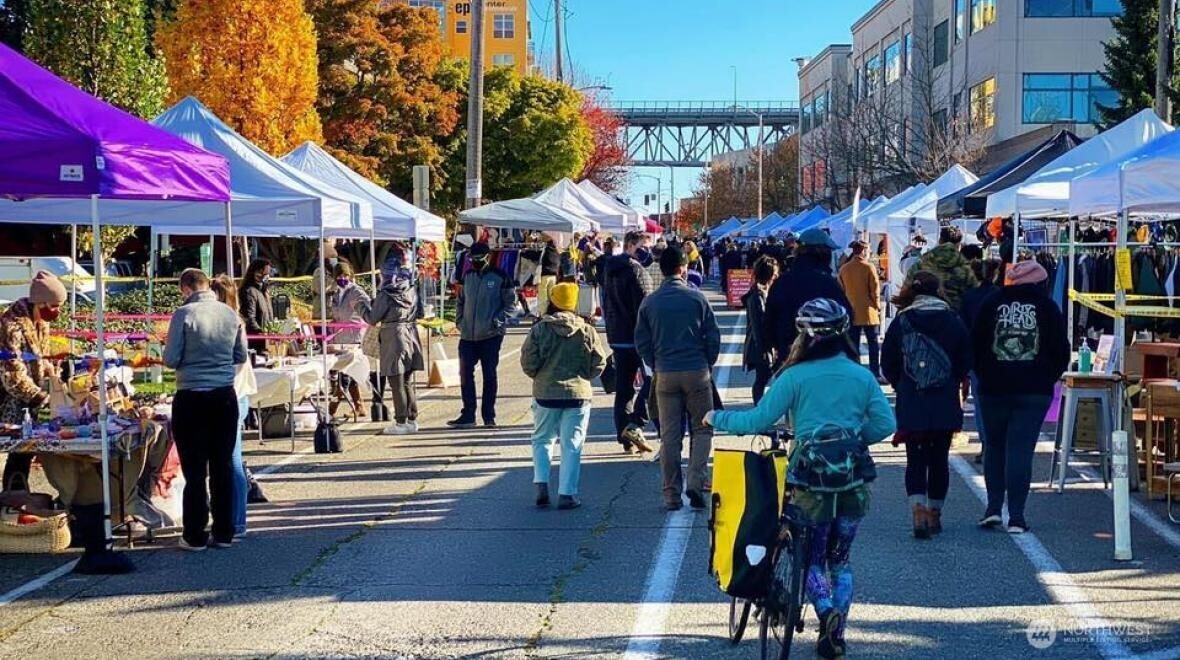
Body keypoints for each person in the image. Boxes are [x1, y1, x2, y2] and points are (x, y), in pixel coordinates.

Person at [705, 298, 894, 659]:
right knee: (840, 560)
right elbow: (886, 424)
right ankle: (837, 631)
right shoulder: (861, 375)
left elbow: (757, 422)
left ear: (803, 335)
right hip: (853, 482)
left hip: (810, 484)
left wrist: (716, 418)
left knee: (810, 558)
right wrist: (851, 440)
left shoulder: (794, 376)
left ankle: (826, 613)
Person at [972, 260, 1069, 534]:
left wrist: (985, 374)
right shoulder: (1048, 307)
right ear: (1039, 283)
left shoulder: (991, 303)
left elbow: (976, 343)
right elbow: (1061, 349)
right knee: (1020, 450)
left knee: (994, 447)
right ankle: (1016, 516)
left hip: (994, 387)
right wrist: (1046, 375)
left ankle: (992, 508)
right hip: (1034, 389)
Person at [881, 272, 972, 539]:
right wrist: (951, 379)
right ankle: (935, 513)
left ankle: (918, 510)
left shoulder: (902, 321)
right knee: (939, 459)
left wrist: (902, 384)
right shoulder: (953, 320)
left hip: (912, 399)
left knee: (916, 459)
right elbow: (966, 360)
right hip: (944, 399)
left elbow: (888, 363)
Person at [164, 269, 249, 551]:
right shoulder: (230, 314)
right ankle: (224, 532)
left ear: (185, 288)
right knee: (222, 465)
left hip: (192, 395)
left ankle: (195, 534)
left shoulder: (184, 314)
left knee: (195, 469)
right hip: (225, 396)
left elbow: (172, 358)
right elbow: (241, 355)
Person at [635, 245, 721, 511]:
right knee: (703, 427)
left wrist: (654, 362)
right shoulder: (697, 299)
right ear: (683, 268)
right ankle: (696, 482)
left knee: (670, 436)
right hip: (696, 370)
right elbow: (713, 336)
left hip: (665, 372)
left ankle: (671, 493)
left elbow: (642, 340)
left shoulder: (650, 302)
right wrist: (707, 361)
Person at [521, 283, 607, 510]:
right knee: (572, 444)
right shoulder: (586, 329)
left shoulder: (540, 329)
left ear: (553, 300)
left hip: (546, 392)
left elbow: (528, 361)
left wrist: (539, 376)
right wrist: (585, 376)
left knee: (542, 439)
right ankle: (567, 493)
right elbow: (600, 361)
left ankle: (541, 485)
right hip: (578, 393)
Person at [0, 272, 65, 491]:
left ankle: (17, 497)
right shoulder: (11, 327)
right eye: (54, 305)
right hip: (7, 401)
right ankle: (12, 500)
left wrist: (53, 377)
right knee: (17, 453)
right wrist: (39, 396)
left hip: (28, 403)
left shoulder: (41, 325)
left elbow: (41, 359)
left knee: (24, 454)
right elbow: (12, 373)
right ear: (40, 302)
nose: (57, 311)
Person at [450, 242, 518, 429]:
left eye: (479, 259)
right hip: (467, 335)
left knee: (489, 375)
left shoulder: (500, 277)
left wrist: (497, 322)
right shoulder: (468, 275)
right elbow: (461, 301)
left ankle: (489, 415)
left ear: (487, 257)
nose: (475, 262)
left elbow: (511, 306)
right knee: (465, 374)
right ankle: (468, 414)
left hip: (491, 336)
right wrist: (460, 321)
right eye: (472, 259)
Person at [764, 228, 852, 368]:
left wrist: (781, 347)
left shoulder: (782, 282)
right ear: (822, 253)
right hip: (826, 359)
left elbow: (768, 323)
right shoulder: (829, 284)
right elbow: (847, 320)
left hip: (790, 358)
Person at [210, 274, 256, 539]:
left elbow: (237, 365)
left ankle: (238, 521)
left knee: (232, 460)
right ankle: (229, 517)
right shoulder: (228, 321)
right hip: (231, 394)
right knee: (224, 460)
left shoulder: (232, 322)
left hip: (234, 395)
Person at [602, 230, 655, 453]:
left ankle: (625, 436)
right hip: (637, 336)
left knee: (624, 388)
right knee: (653, 381)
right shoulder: (636, 270)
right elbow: (644, 306)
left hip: (617, 335)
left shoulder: (610, 269)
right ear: (632, 245)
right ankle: (634, 423)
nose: (648, 251)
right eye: (644, 246)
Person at [363, 250, 425, 435]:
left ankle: (400, 422)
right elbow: (420, 313)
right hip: (411, 334)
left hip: (393, 336)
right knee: (406, 381)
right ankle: (412, 419)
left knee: (396, 380)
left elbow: (372, 318)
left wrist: (361, 306)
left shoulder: (386, 294)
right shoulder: (412, 289)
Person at [839, 240, 884, 382]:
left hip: (851, 310)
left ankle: (854, 371)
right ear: (864, 251)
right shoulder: (869, 267)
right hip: (868, 310)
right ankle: (875, 372)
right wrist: (877, 306)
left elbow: (841, 290)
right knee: (873, 344)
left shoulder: (844, 269)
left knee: (853, 344)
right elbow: (875, 290)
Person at [905, 226, 978, 312]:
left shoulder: (921, 264)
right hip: (954, 318)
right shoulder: (965, 269)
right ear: (959, 245)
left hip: (921, 315)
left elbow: (906, 291)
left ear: (940, 241)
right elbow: (974, 298)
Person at [743, 256, 778, 402]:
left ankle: (762, 408)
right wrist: (765, 349)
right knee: (762, 379)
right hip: (760, 346)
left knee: (764, 378)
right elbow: (758, 325)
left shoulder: (762, 292)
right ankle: (760, 410)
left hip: (761, 345)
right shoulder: (757, 296)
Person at [238, 258, 274, 356]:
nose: (267, 277)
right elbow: (250, 318)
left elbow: (268, 316)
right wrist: (261, 334)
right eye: (265, 273)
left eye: (268, 274)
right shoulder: (249, 291)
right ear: (256, 272)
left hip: (265, 342)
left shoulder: (264, 292)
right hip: (255, 343)